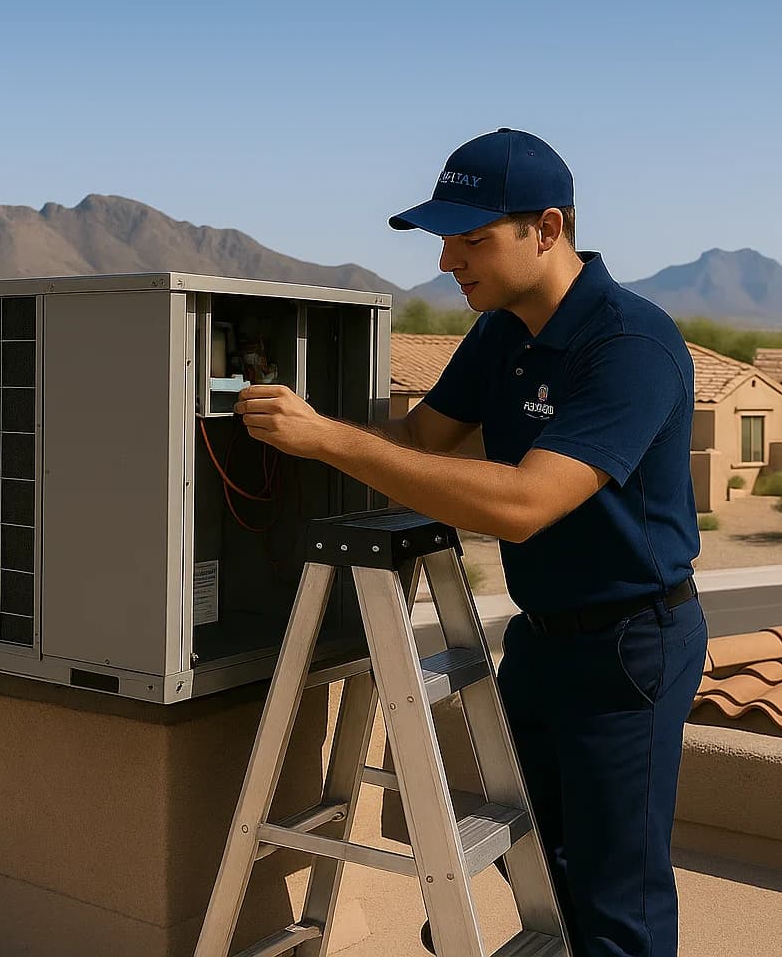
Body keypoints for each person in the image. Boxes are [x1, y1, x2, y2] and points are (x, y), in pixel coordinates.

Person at [233, 128, 708, 957]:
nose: (450, 260)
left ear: (548, 230)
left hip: (632, 646)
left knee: (617, 903)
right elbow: (420, 440)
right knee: (537, 869)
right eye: (445, 239)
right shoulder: (501, 333)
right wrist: (290, 429)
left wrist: (330, 443)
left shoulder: (629, 345)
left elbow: (526, 505)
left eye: (473, 238)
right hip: (541, 639)